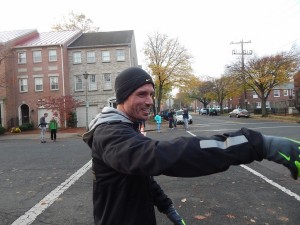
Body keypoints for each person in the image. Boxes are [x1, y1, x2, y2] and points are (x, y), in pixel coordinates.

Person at [83, 67, 300, 225]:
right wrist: (256, 144)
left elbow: (140, 174)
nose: (149, 101)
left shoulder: (124, 127)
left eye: (151, 94)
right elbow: (160, 156)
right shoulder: (110, 134)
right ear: (122, 97)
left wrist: (166, 206)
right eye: (141, 94)